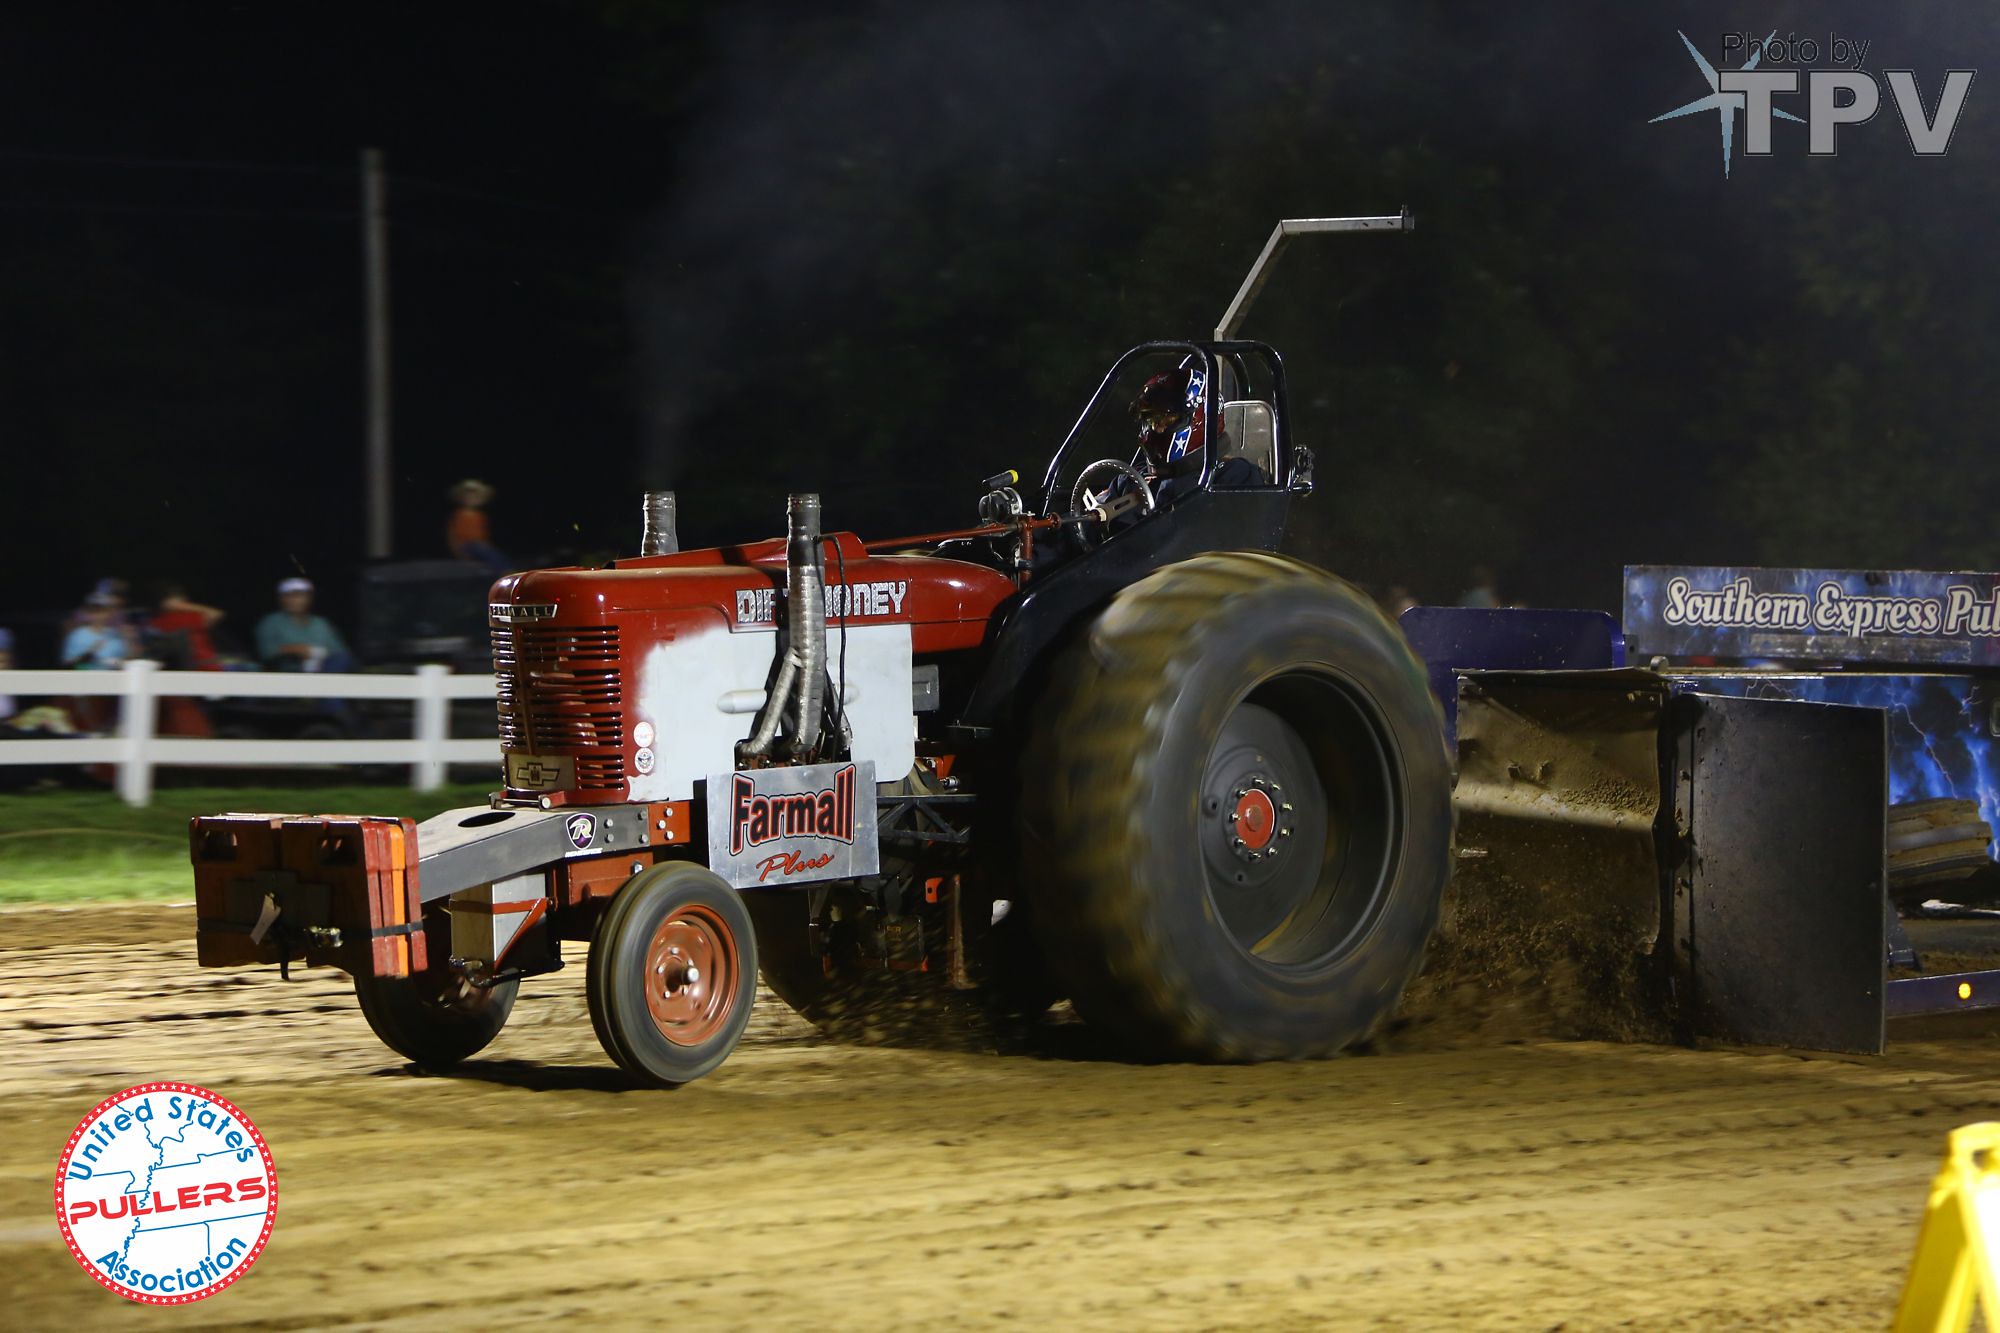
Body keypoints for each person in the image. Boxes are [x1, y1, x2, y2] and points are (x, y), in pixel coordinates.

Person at [256, 578, 353, 672]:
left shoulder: (321, 623)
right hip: (288, 673)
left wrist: (318, 653)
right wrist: (295, 649)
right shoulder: (271, 622)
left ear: (309, 598)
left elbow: (339, 652)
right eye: (290, 596)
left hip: (322, 672)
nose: (295, 600)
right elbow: (267, 653)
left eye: (300, 596)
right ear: (281, 599)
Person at [148, 583, 227, 671]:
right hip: (185, 668)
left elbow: (217, 614)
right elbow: (215, 613)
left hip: (206, 666)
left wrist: (183, 606)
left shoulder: (190, 616)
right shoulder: (155, 623)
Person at [447, 479, 511, 573]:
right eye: (468, 497)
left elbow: (483, 534)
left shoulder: (481, 516)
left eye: (475, 497)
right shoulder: (459, 515)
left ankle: (505, 571)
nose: (471, 499)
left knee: (492, 553)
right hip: (467, 546)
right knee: (483, 550)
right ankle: (504, 570)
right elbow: (452, 535)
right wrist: (459, 551)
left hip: (480, 546)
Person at [63, 590, 138, 669]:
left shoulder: (116, 635)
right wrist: (89, 653)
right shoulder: (76, 635)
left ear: (108, 613)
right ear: (87, 613)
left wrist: (130, 640)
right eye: (93, 611)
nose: (98, 615)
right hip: (84, 678)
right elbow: (68, 663)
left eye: (102, 611)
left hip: (111, 678)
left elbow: (128, 661)